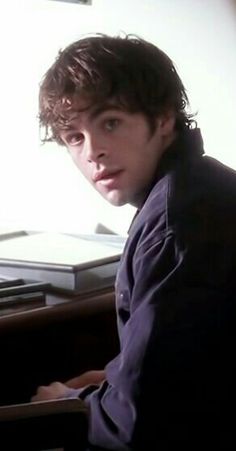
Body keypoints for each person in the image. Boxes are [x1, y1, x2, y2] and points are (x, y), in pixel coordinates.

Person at [31, 34, 236, 450]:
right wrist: (116, 377)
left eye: (110, 123)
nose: (94, 153)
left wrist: (71, 402)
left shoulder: (175, 224)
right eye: (75, 137)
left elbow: (137, 423)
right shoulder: (201, 185)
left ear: (162, 119)